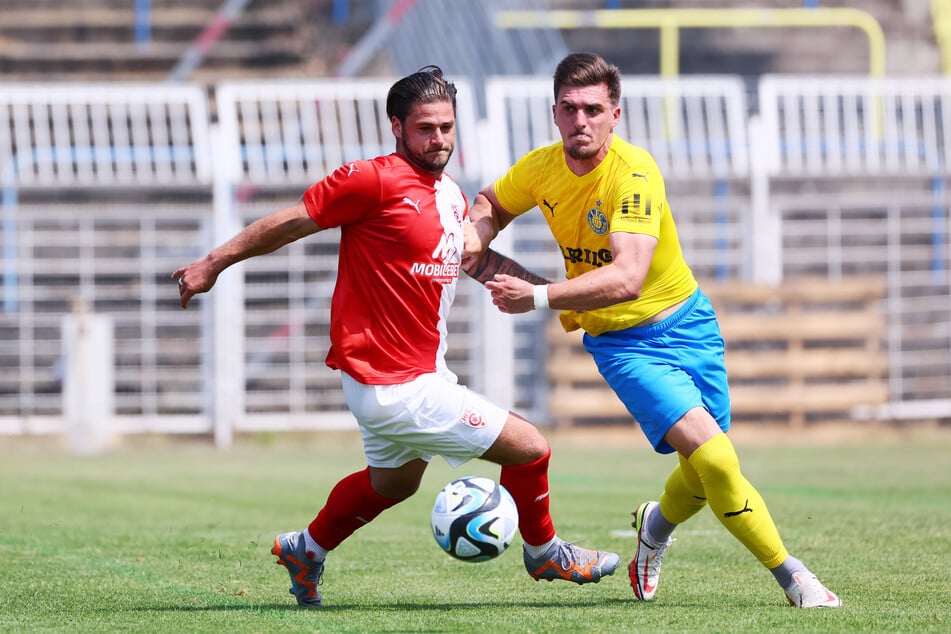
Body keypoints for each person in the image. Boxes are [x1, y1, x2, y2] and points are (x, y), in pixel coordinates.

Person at [172, 65, 619, 608]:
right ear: (397, 127)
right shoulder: (371, 180)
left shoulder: (451, 197)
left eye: (447, 128)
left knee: (395, 484)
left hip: (415, 376)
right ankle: (545, 552)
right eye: (426, 128)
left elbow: (472, 260)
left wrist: (558, 297)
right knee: (530, 448)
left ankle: (306, 548)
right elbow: (293, 221)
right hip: (392, 383)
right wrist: (215, 262)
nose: (439, 139)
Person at [462, 52, 842, 609]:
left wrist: (537, 297)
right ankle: (795, 578)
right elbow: (490, 201)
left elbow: (628, 278)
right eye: (569, 109)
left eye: (593, 109)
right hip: (623, 345)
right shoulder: (541, 169)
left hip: (689, 323)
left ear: (615, 114)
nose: (580, 121)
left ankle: (655, 527)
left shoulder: (634, 173)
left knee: (703, 464)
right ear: (555, 113)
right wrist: (476, 232)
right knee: (716, 460)